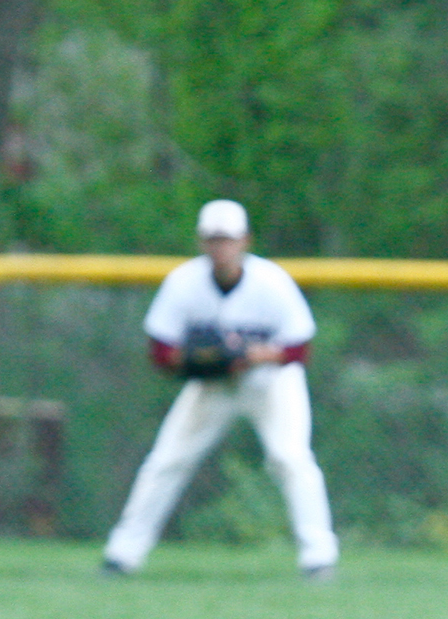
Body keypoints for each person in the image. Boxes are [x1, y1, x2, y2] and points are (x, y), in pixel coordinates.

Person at [101, 199, 338, 579]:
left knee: (291, 459)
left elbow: (299, 348)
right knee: (167, 460)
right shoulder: (184, 283)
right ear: (201, 241)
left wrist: (259, 355)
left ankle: (319, 557)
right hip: (212, 386)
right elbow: (161, 352)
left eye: (227, 239)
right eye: (213, 239)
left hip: (270, 384)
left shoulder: (271, 282)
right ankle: (122, 555)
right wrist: (204, 359)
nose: (220, 247)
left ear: (245, 240)